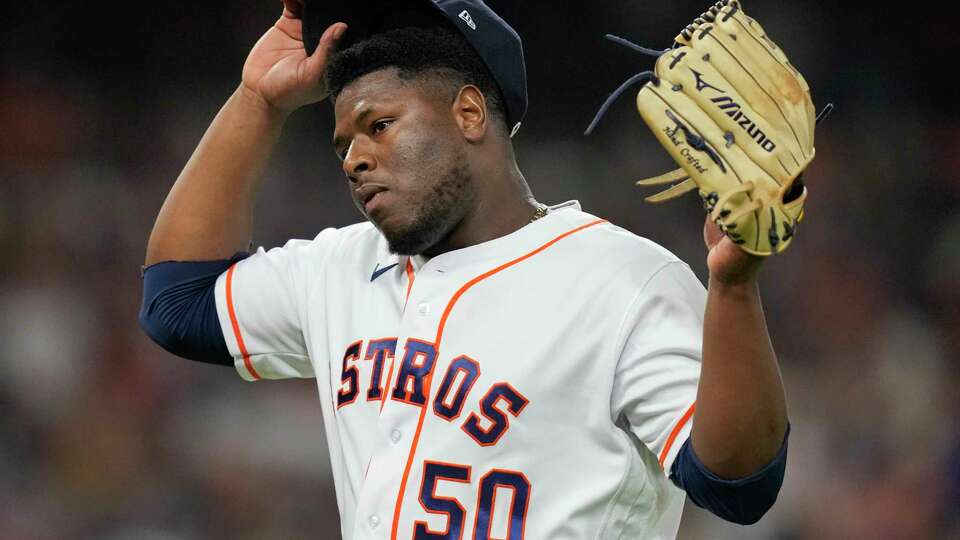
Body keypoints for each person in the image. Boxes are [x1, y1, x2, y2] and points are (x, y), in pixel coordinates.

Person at [140, 0, 790, 537]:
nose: (355, 159)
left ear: (470, 113)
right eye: (343, 144)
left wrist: (734, 289)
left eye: (380, 125)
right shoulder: (339, 267)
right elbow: (178, 303)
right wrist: (258, 103)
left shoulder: (622, 279)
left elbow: (739, 482)